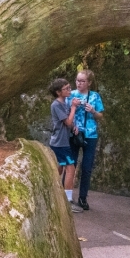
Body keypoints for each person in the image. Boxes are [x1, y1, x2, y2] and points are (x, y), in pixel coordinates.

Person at [70, 69, 105, 211]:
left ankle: (83, 198)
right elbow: (64, 113)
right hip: (74, 133)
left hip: (90, 135)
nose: (79, 83)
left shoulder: (95, 96)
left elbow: (100, 116)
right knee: (70, 165)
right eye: (77, 80)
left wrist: (93, 111)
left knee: (87, 167)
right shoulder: (71, 95)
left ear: (89, 83)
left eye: (82, 81)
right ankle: (66, 196)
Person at [49, 78, 83, 213]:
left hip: (63, 142)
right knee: (71, 169)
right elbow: (67, 122)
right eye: (66, 89)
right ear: (58, 92)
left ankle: (52, 194)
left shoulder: (64, 103)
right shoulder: (56, 105)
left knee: (60, 169)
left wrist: (74, 127)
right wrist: (74, 108)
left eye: (70, 87)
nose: (70, 90)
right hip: (60, 143)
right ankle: (67, 201)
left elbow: (70, 123)